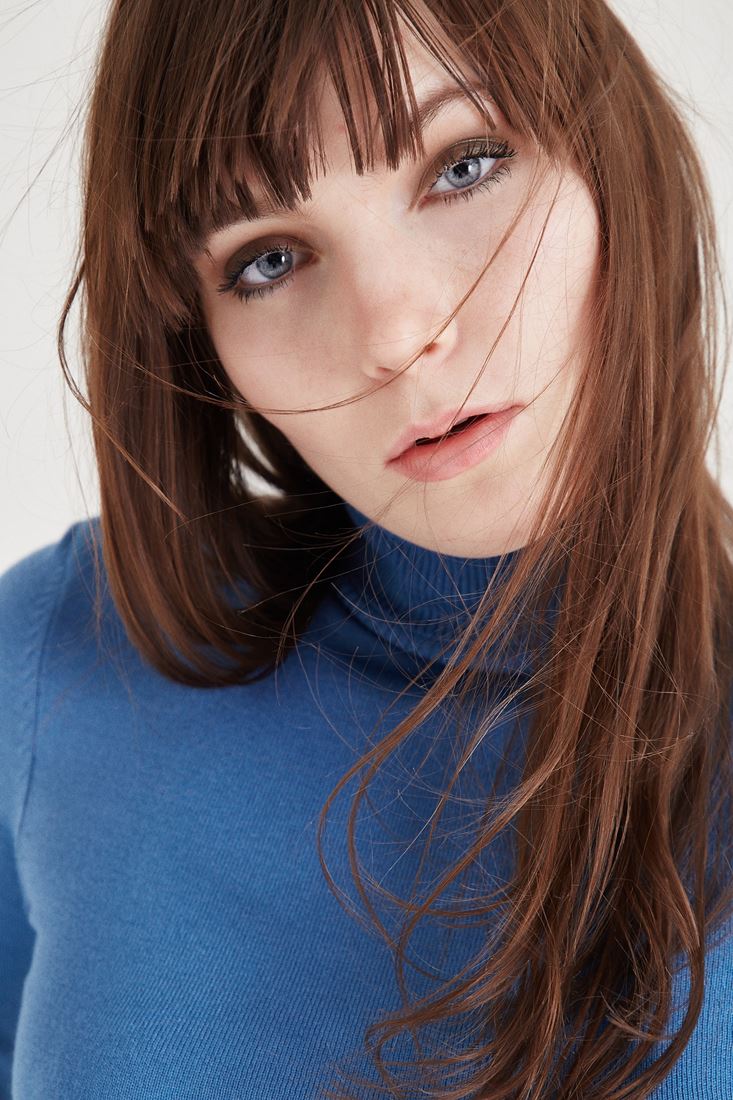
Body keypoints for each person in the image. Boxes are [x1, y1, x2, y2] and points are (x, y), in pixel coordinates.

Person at [1, 0, 731, 1096]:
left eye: (464, 166)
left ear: (610, 156)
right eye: (268, 258)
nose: (393, 334)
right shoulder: (59, 662)